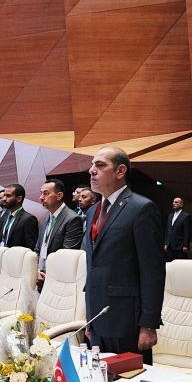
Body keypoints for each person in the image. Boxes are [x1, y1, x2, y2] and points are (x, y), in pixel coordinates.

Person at [83, 147, 164, 363]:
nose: (92, 170)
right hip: (97, 317)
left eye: (100, 165)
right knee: (97, 379)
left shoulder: (142, 208)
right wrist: (90, 319)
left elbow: (152, 271)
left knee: (128, 380)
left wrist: (148, 324)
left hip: (126, 320)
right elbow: (93, 266)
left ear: (120, 171)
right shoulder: (92, 211)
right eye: (92, 165)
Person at [35, 178, 84, 279]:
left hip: (58, 276)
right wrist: (37, 270)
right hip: (41, 273)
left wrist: (49, 275)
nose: (41, 197)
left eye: (46, 193)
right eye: (41, 193)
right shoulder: (45, 218)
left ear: (59, 196)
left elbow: (67, 254)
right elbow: (38, 248)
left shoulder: (72, 219)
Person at [0, 183, 38, 250]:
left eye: (8, 196)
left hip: (18, 255)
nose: (4, 199)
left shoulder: (28, 219)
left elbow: (30, 246)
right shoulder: (3, 217)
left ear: (19, 199)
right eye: (4, 195)